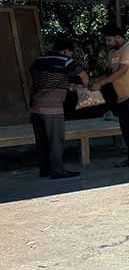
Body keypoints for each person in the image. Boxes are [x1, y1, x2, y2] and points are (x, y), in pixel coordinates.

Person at [91, 23, 129, 169]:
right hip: (122, 97)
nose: (107, 43)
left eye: (109, 40)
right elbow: (109, 72)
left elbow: (121, 71)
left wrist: (101, 84)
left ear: (118, 37)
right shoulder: (112, 53)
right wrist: (96, 81)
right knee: (127, 131)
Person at [30, 36, 88, 179]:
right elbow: (83, 76)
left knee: (42, 141)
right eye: (70, 53)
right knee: (56, 140)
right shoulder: (65, 61)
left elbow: (47, 80)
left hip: (36, 106)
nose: (70, 55)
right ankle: (57, 170)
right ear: (66, 51)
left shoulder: (39, 60)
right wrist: (86, 89)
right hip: (52, 108)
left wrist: (66, 85)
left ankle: (44, 170)